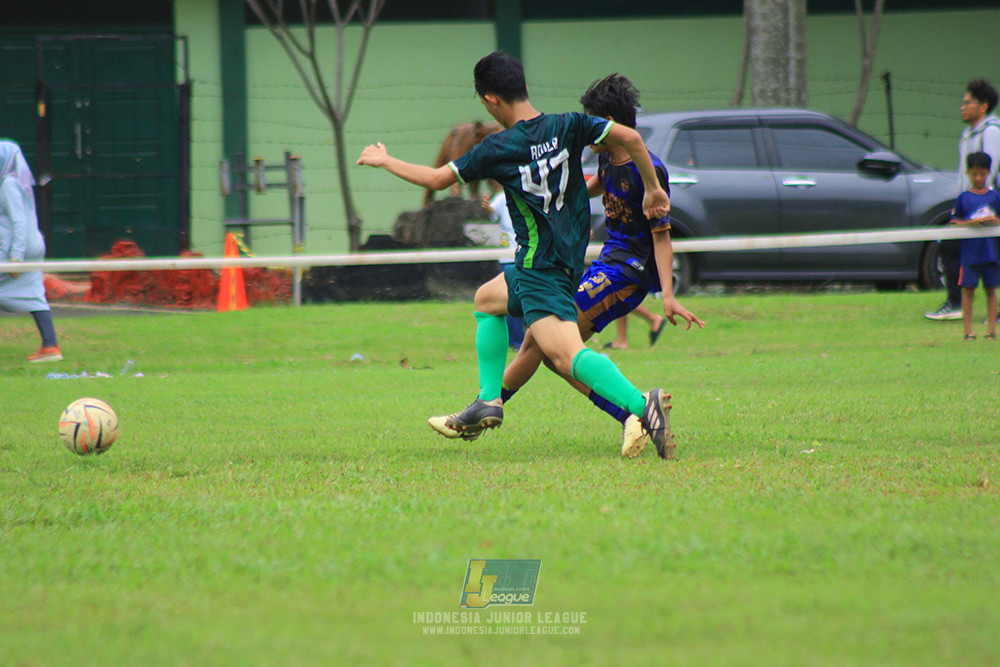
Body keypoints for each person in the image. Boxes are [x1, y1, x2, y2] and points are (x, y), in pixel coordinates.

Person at [357, 52, 679, 457]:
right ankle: (489, 400)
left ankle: (639, 405)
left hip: (536, 266)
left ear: (491, 100)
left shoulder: (499, 147)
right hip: (565, 261)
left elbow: (438, 179)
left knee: (565, 355)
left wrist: (384, 160)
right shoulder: (570, 125)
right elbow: (631, 138)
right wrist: (652, 188)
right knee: (487, 300)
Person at [464, 73, 704, 458]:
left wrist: (669, 296)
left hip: (627, 275)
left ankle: (635, 410)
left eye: (593, 120)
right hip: (606, 264)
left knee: (552, 348)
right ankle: (487, 405)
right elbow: (581, 187)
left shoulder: (649, 171)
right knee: (541, 345)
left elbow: (662, 237)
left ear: (610, 123)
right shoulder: (608, 160)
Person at [925, 79, 1000, 321]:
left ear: (983, 106)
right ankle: (956, 302)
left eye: (968, 102)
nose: (962, 107)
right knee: (949, 245)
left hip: (988, 207)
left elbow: (990, 172)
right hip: (969, 205)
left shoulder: (991, 132)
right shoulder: (968, 134)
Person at [0, 140, 62, 362]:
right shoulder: (17, 183)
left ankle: (50, 346)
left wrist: (16, 256)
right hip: (31, 246)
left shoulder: (8, 184)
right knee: (35, 296)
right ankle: (50, 346)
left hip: (16, 250)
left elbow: (18, 221)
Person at [950, 151, 1000, 341]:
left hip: (990, 253)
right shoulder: (963, 198)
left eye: (982, 174)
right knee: (968, 291)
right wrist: (969, 224)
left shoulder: (994, 197)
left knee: (991, 290)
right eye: (974, 174)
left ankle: (991, 331)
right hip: (969, 254)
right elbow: (954, 221)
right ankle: (968, 332)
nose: (978, 178)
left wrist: (995, 220)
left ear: (988, 173)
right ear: (968, 173)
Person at [483, 190, 525, 348]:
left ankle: (529, 338)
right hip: (508, 258)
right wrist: (487, 207)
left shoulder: (531, 194)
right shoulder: (502, 197)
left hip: (529, 256)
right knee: (511, 299)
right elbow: (492, 213)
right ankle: (516, 341)